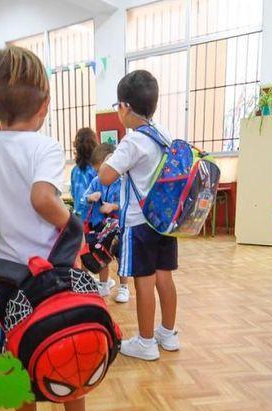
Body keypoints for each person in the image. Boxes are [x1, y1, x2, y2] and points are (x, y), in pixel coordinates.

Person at [0, 45, 111, 411]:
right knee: (70, 343)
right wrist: (73, 224)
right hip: (57, 276)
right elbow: (43, 198)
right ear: (45, 105)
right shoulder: (44, 147)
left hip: (9, 281)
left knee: (11, 358)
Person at [98, 70, 179, 362]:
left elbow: (105, 176)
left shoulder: (132, 142)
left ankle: (145, 343)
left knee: (143, 281)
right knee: (164, 278)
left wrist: (110, 157)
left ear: (127, 107)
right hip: (165, 221)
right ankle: (167, 334)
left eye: (117, 106)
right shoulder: (164, 135)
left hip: (139, 222)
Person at [81, 143, 130, 302]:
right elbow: (84, 198)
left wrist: (113, 206)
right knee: (102, 254)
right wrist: (90, 197)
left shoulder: (123, 181)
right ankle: (103, 285)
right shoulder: (96, 182)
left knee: (121, 257)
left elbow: (127, 204)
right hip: (99, 227)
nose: (100, 174)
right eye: (97, 171)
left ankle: (124, 287)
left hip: (118, 228)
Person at [70, 127, 98, 222]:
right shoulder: (97, 170)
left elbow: (74, 195)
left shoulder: (74, 170)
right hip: (94, 220)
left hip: (79, 218)